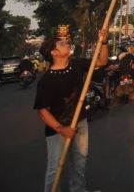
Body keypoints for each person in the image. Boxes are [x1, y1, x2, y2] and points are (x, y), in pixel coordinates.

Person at [34, 26, 109, 192]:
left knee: (80, 161)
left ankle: (78, 190)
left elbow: (102, 61)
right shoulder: (46, 80)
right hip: (57, 127)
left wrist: (103, 41)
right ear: (54, 52)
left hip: (79, 121)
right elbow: (43, 111)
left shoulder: (76, 64)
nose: (66, 43)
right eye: (61, 43)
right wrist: (61, 129)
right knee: (55, 167)